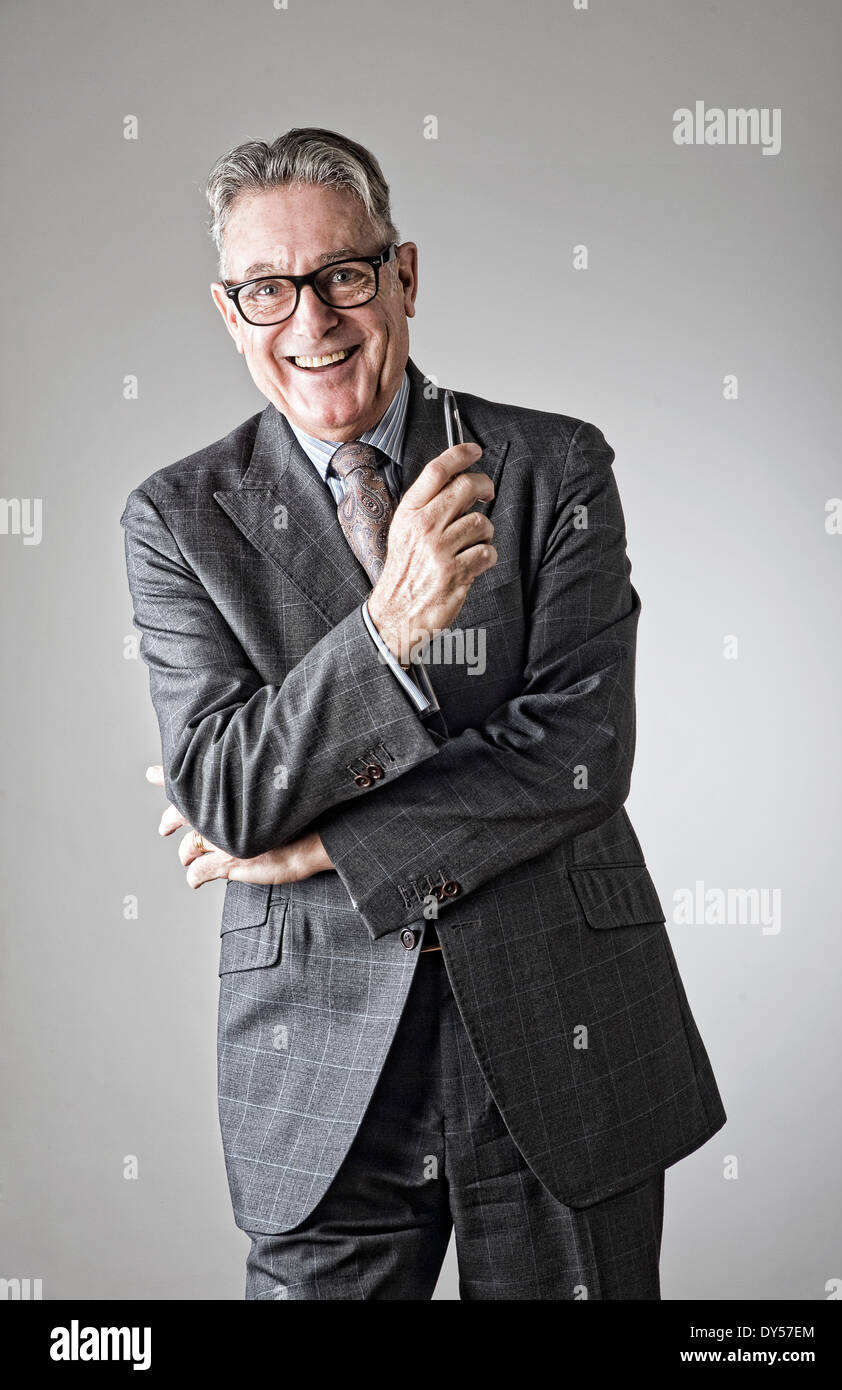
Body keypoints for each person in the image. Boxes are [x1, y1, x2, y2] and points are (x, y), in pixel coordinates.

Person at [120, 127, 726, 1300]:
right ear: (227, 310)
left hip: (563, 1025)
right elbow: (226, 789)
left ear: (402, 273)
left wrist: (329, 847)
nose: (310, 320)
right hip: (318, 1057)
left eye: (342, 275)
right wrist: (388, 633)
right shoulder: (176, 518)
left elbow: (582, 755)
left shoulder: (556, 466)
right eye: (266, 290)